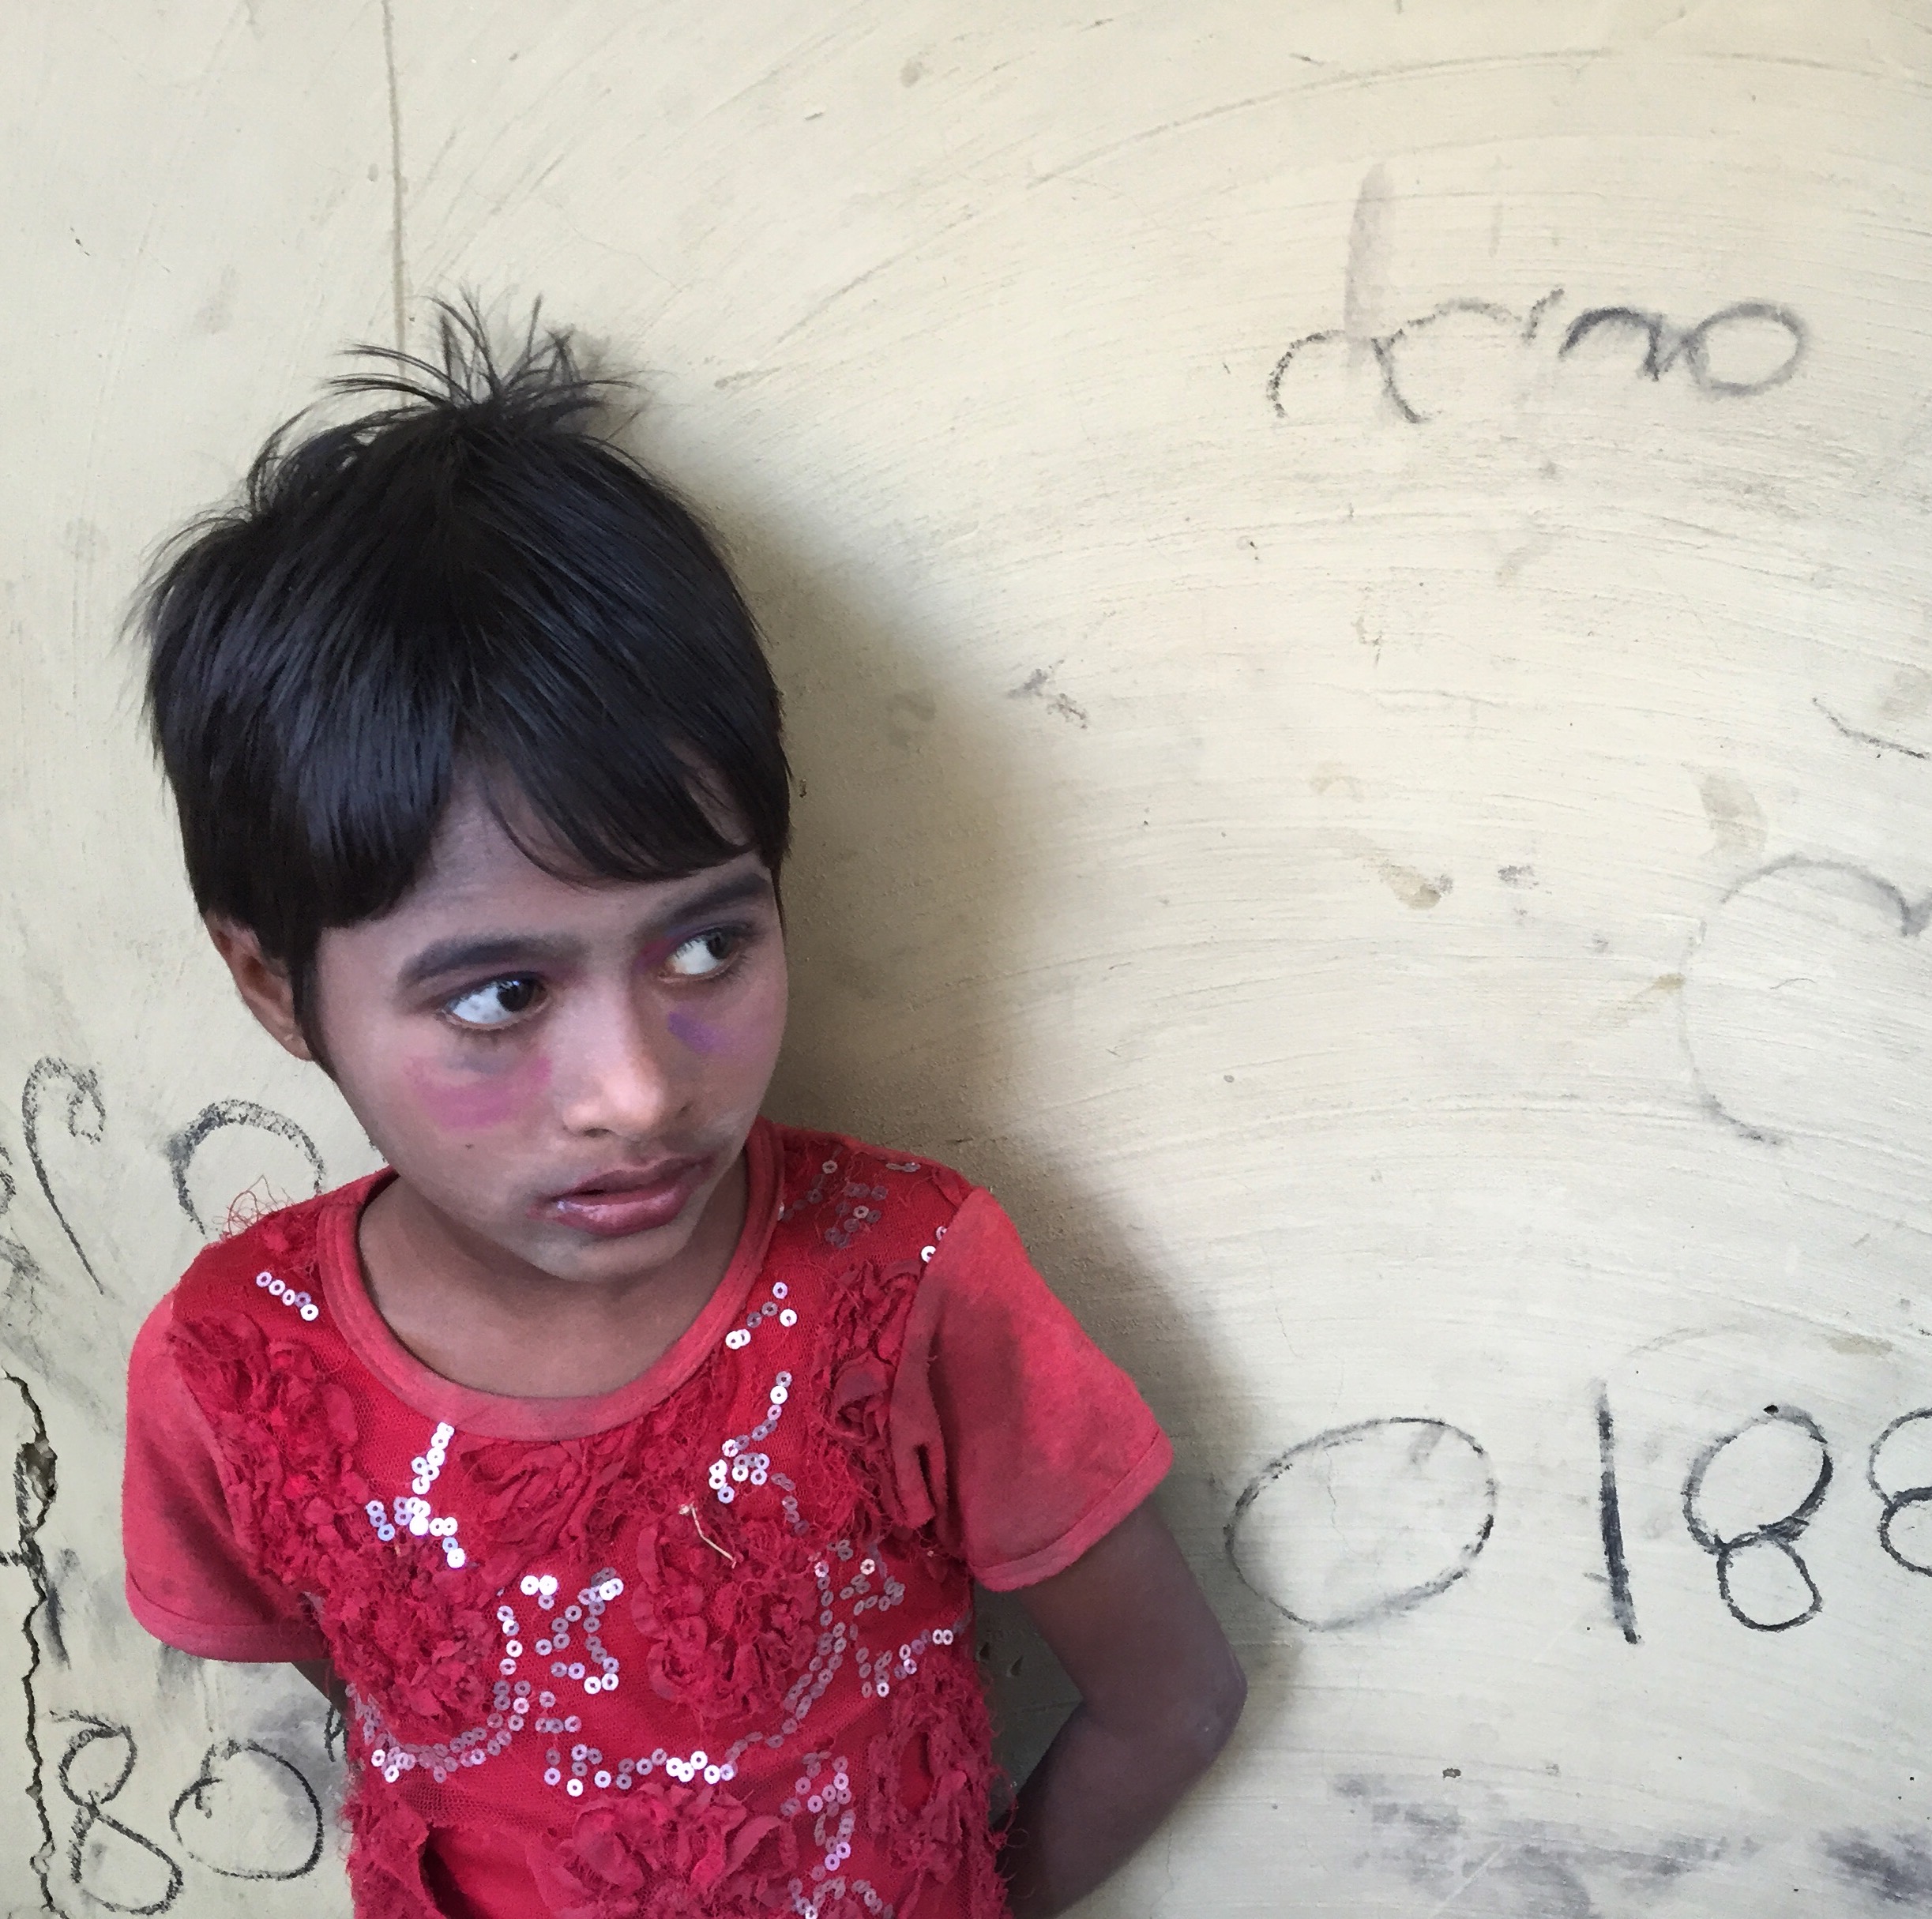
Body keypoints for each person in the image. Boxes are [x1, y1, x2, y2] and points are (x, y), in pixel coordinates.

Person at [121, 303, 1245, 1919]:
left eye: (707, 941)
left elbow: (1169, 1695)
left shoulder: (906, 1283)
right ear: (274, 987)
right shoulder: (231, 1371)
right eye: (501, 994)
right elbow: (372, 1698)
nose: (639, 1089)